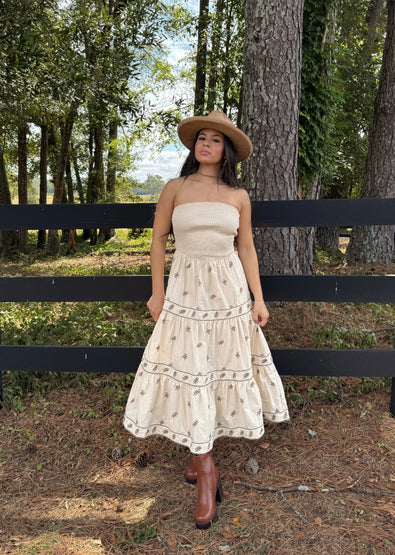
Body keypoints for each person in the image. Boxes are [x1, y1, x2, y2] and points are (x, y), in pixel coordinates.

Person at [123, 110, 289, 529]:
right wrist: (157, 293)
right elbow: (158, 241)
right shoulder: (175, 188)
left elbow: (246, 247)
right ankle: (206, 468)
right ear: (193, 146)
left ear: (226, 150)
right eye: (202, 138)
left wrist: (258, 298)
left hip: (229, 295)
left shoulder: (239, 196)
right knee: (190, 371)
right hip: (184, 292)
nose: (206, 144)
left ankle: (202, 465)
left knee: (216, 371)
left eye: (215, 139)